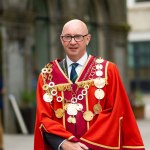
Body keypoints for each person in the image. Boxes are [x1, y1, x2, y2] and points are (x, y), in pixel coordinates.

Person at [34, 19, 145, 150]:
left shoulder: (108, 71)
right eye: (67, 37)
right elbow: (43, 118)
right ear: (61, 39)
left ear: (88, 39)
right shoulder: (47, 76)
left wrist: (86, 145)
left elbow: (115, 113)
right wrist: (64, 143)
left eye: (78, 37)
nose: (73, 42)